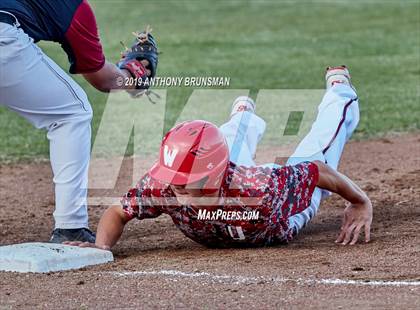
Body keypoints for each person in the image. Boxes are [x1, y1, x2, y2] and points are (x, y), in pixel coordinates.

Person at [65, 66, 373, 250]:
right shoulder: (164, 184)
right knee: (222, 146)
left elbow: (317, 170)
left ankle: (339, 90)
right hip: (228, 181)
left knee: (319, 144)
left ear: (212, 176)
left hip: (281, 219)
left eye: (186, 184)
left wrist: (360, 202)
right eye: (175, 182)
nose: (176, 189)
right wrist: (101, 247)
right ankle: (243, 118)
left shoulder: (263, 189)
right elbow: (118, 211)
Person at [0, 0, 158, 243]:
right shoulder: (74, 7)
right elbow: (104, 80)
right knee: (72, 114)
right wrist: (133, 74)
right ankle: (70, 227)